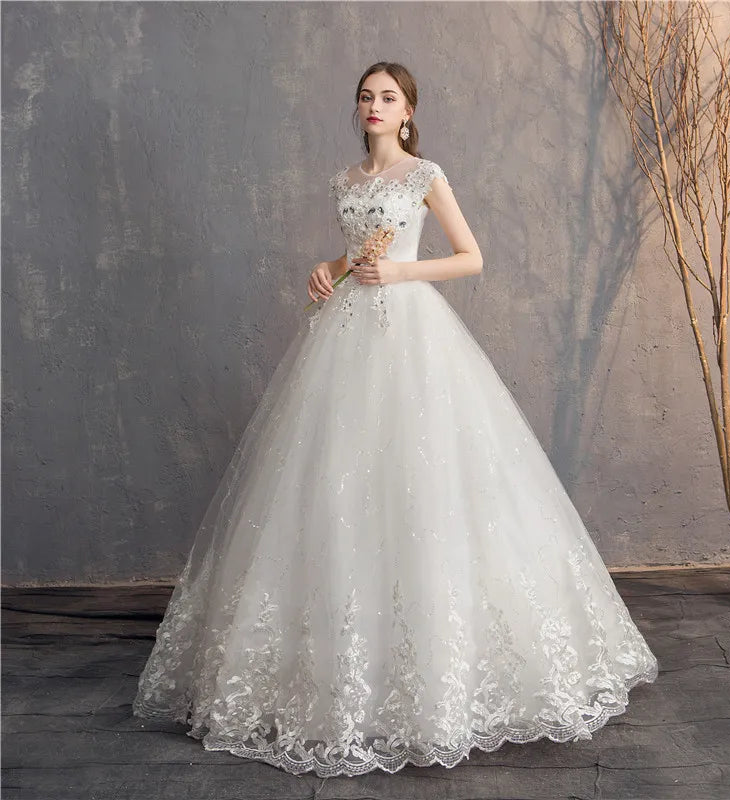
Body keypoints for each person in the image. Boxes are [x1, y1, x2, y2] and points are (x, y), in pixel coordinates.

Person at [132, 61, 658, 778]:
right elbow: (357, 254)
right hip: (345, 335)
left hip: (413, 338)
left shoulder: (424, 173)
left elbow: (471, 257)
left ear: (408, 111)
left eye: (387, 98)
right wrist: (329, 269)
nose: (373, 106)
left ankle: (435, 672)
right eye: (365, 97)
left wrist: (401, 273)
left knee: (426, 486)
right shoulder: (346, 182)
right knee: (337, 490)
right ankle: (344, 669)